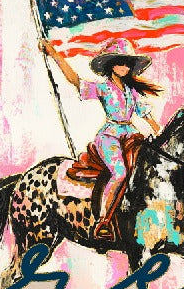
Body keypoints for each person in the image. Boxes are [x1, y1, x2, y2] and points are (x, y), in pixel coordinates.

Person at [38, 37, 162, 240]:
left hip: (131, 135)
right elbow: (75, 80)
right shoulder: (104, 89)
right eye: (120, 62)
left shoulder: (131, 92)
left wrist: (158, 131)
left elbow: (145, 114)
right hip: (109, 137)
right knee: (120, 173)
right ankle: (103, 220)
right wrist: (54, 54)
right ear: (111, 65)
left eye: (127, 63)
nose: (124, 67)